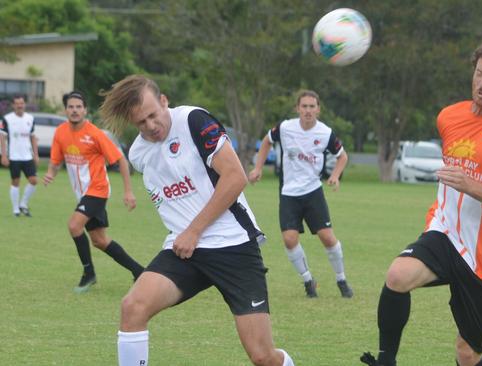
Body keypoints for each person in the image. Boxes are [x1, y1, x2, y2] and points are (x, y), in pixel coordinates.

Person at [360, 40, 482, 366]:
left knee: (467, 354)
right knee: (398, 276)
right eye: (479, 73)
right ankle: (386, 360)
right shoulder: (449, 117)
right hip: (444, 233)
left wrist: (469, 184)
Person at [99, 75, 294, 366]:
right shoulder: (138, 154)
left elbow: (235, 177)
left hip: (234, 246)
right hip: (184, 251)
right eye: (141, 122)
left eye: (153, 115)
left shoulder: (194, 121)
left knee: (263, 357)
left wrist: (193, 230)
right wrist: (185, 233)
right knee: (133, 307)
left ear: (164, 101)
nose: (151, 126)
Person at [248, 90, 353, 299]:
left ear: (318, 109)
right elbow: (267, 141)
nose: (308, 110)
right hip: (288, 193)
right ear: (297, 108)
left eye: (312, 106)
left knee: (327, 237)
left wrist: (335, 176)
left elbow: (342, 156)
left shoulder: (325, 133)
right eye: (304, 106)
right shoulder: (286, 128)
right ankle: (308, 280)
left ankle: (341, 279)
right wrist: (258, 168)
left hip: (313, 191)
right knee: (289, 239)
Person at [43, 91, 144, 293]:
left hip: (97, 190)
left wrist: (128, 192)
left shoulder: (95, 134)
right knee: (99, 240)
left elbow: (121, 161)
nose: (74, 110)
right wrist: (50, 173)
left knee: (74, 226)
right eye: (71, 107)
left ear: (85, 110)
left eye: (78, 107)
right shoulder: (60, 133)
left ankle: (89, 274)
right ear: (66, 110)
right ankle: (139, 271)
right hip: (83, 194)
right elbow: (55, 161)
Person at [0, 95, 38, 217]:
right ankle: (16, 209)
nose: (20, 105)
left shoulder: (30, 118)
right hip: (14, 156)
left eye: (21, 103)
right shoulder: (6, 119)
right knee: (15, 182)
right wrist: (4, 155)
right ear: (13, 105)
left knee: (33, 180)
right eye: (17, 103)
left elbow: (32, 137)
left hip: (27, 156)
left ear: (24, 104)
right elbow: (2, 137)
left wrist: (36, 154)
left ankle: (23, 204)